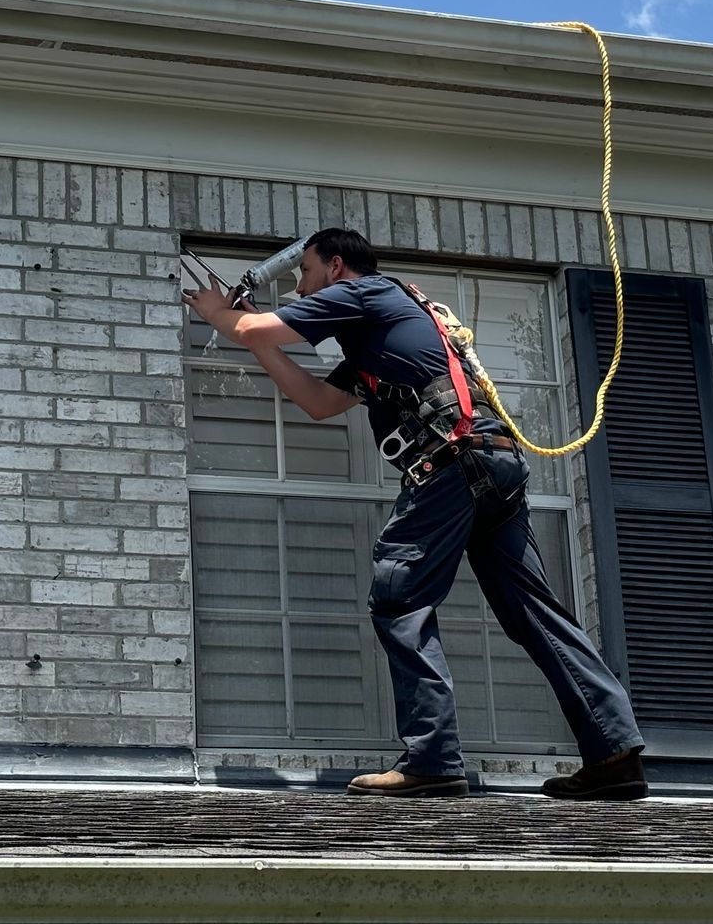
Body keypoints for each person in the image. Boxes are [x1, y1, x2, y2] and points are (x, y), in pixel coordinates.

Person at [182, 226, 646, 800]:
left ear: (335, 267)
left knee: (400, 595)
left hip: (452, 466)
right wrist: (249, 329)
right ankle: (615, 753)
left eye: (303, 272)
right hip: (490, 465)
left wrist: (221, 312)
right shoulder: (377, 337)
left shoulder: (366, 293)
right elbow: (319, 403)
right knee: (534, 611)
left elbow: (254, 326)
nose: (299, 286)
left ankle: (432, 759)